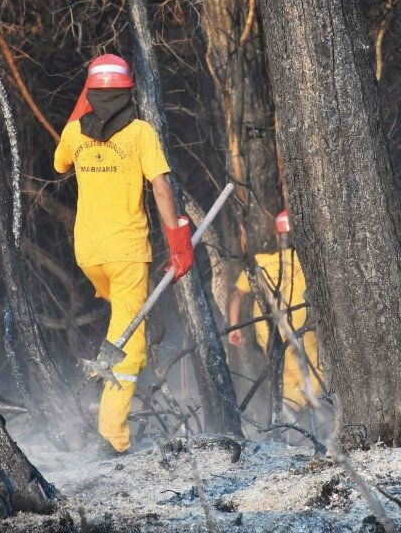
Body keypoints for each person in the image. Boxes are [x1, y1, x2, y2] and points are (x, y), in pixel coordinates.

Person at [54, 53, 193, 454]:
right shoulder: (139, 133)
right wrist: (178, 241)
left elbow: (59, 162)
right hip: (127, 252)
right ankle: (112, 437)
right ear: (128, 92)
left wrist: (83, 104)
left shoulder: (75, 134)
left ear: (91, 94)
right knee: (131, 345)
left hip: (88, 254)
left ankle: (102, 377)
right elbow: (162, 188)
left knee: (121, 325)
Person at [226, 210, 324, 416]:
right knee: (316, 377)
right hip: (304, 329)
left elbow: (236, 295)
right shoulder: (309, 260)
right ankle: (315, 423)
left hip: (269, 333)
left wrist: (234, 327)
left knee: (285, 377)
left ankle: (286, 421)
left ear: (278, 235)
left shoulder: (261, 262)